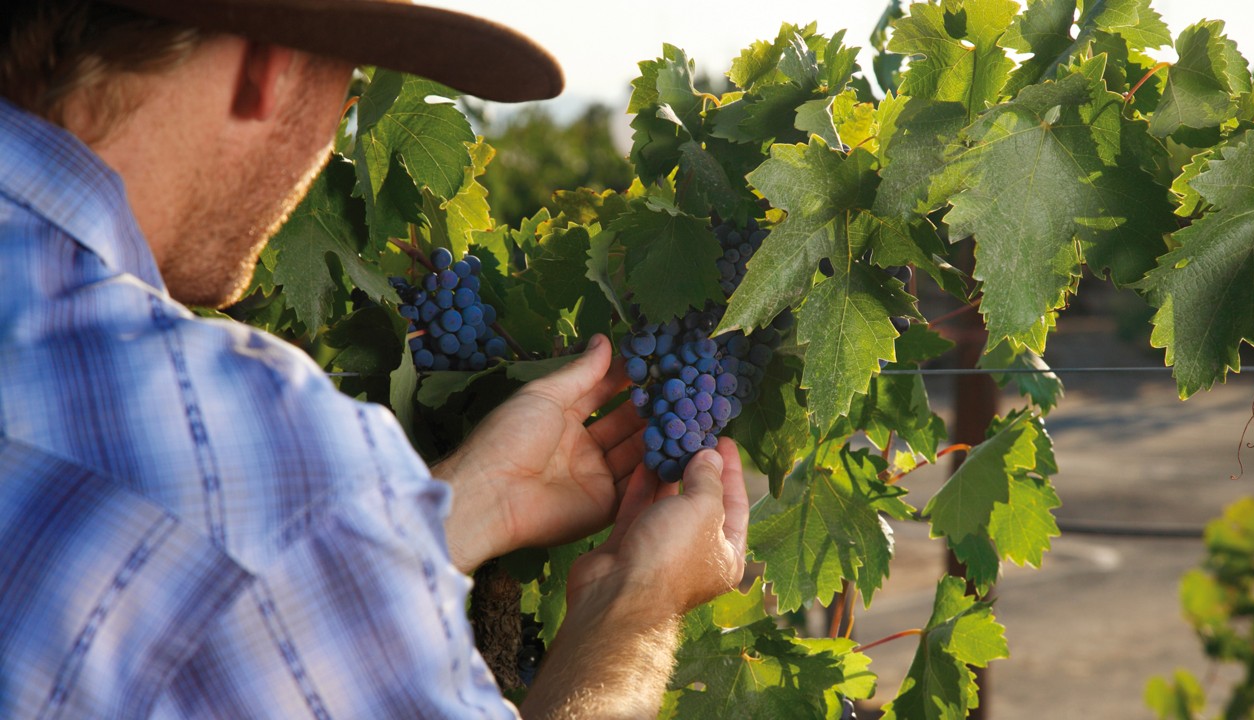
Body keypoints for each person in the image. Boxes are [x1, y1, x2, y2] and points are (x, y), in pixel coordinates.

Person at [0, 1, 748, 718]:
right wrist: (637, 598)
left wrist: (472, 502)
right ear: (272, 66)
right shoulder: (250, 455)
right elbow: (239, 539)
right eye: (350, 82)